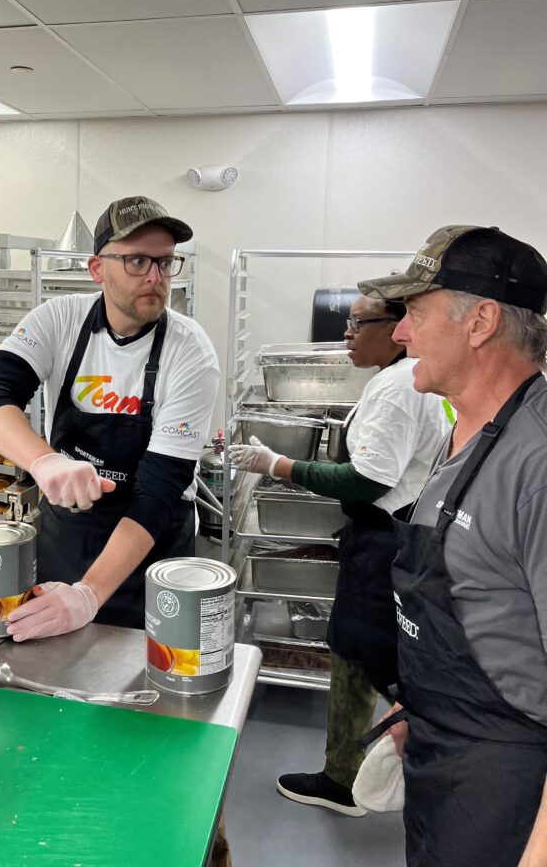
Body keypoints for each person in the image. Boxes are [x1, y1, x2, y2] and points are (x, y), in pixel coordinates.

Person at [358, 225, 547, 867]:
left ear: (481, 321)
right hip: (441, 754)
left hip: (509, 791)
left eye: (413, 311)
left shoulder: (538, 462)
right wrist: (425, 702)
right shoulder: (465, 430)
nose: (401, 333)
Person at [229, 294, 450, 816]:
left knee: (364, 650)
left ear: (398, 328)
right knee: (365, 650)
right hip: (401, 530)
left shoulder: (398, 388)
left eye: (357, 324)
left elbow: (368, 479)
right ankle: (367, 767)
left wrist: (278, 464)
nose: (347, 334)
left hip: (384, 537)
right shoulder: (415, 377)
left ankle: (350, 780)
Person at [0, 195, 219, 640]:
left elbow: (158, 491)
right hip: (69, 529)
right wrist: (45, 462)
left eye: (165, 262)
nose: (157, 278)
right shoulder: (58, 319)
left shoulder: (190, 351)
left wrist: (88, 595)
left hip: (149, 543)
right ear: (97, 268)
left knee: (142, 678)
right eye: (138, 261)